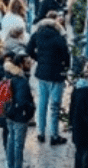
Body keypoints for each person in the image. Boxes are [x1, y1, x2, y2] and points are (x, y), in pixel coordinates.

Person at [29, 14, 70, 146]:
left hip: (42, 74)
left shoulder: (37, 35)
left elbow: (28, 49)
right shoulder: (58, 38)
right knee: (54, 106)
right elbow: (66, 54)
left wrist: (39, 59)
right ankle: (54, 135)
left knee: (42, 103)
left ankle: (40, 133)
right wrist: (66, 66)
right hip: (56, 75)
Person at [1, 54, 36, 168]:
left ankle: (10, 167)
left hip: (10, 114)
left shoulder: (8, 76)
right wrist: (30, 110)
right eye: (27, 62)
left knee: (11, 141)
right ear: (20, 65)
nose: (30, 64)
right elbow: (22, 102)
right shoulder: (22, 81)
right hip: (19, 117)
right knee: (18, 145)